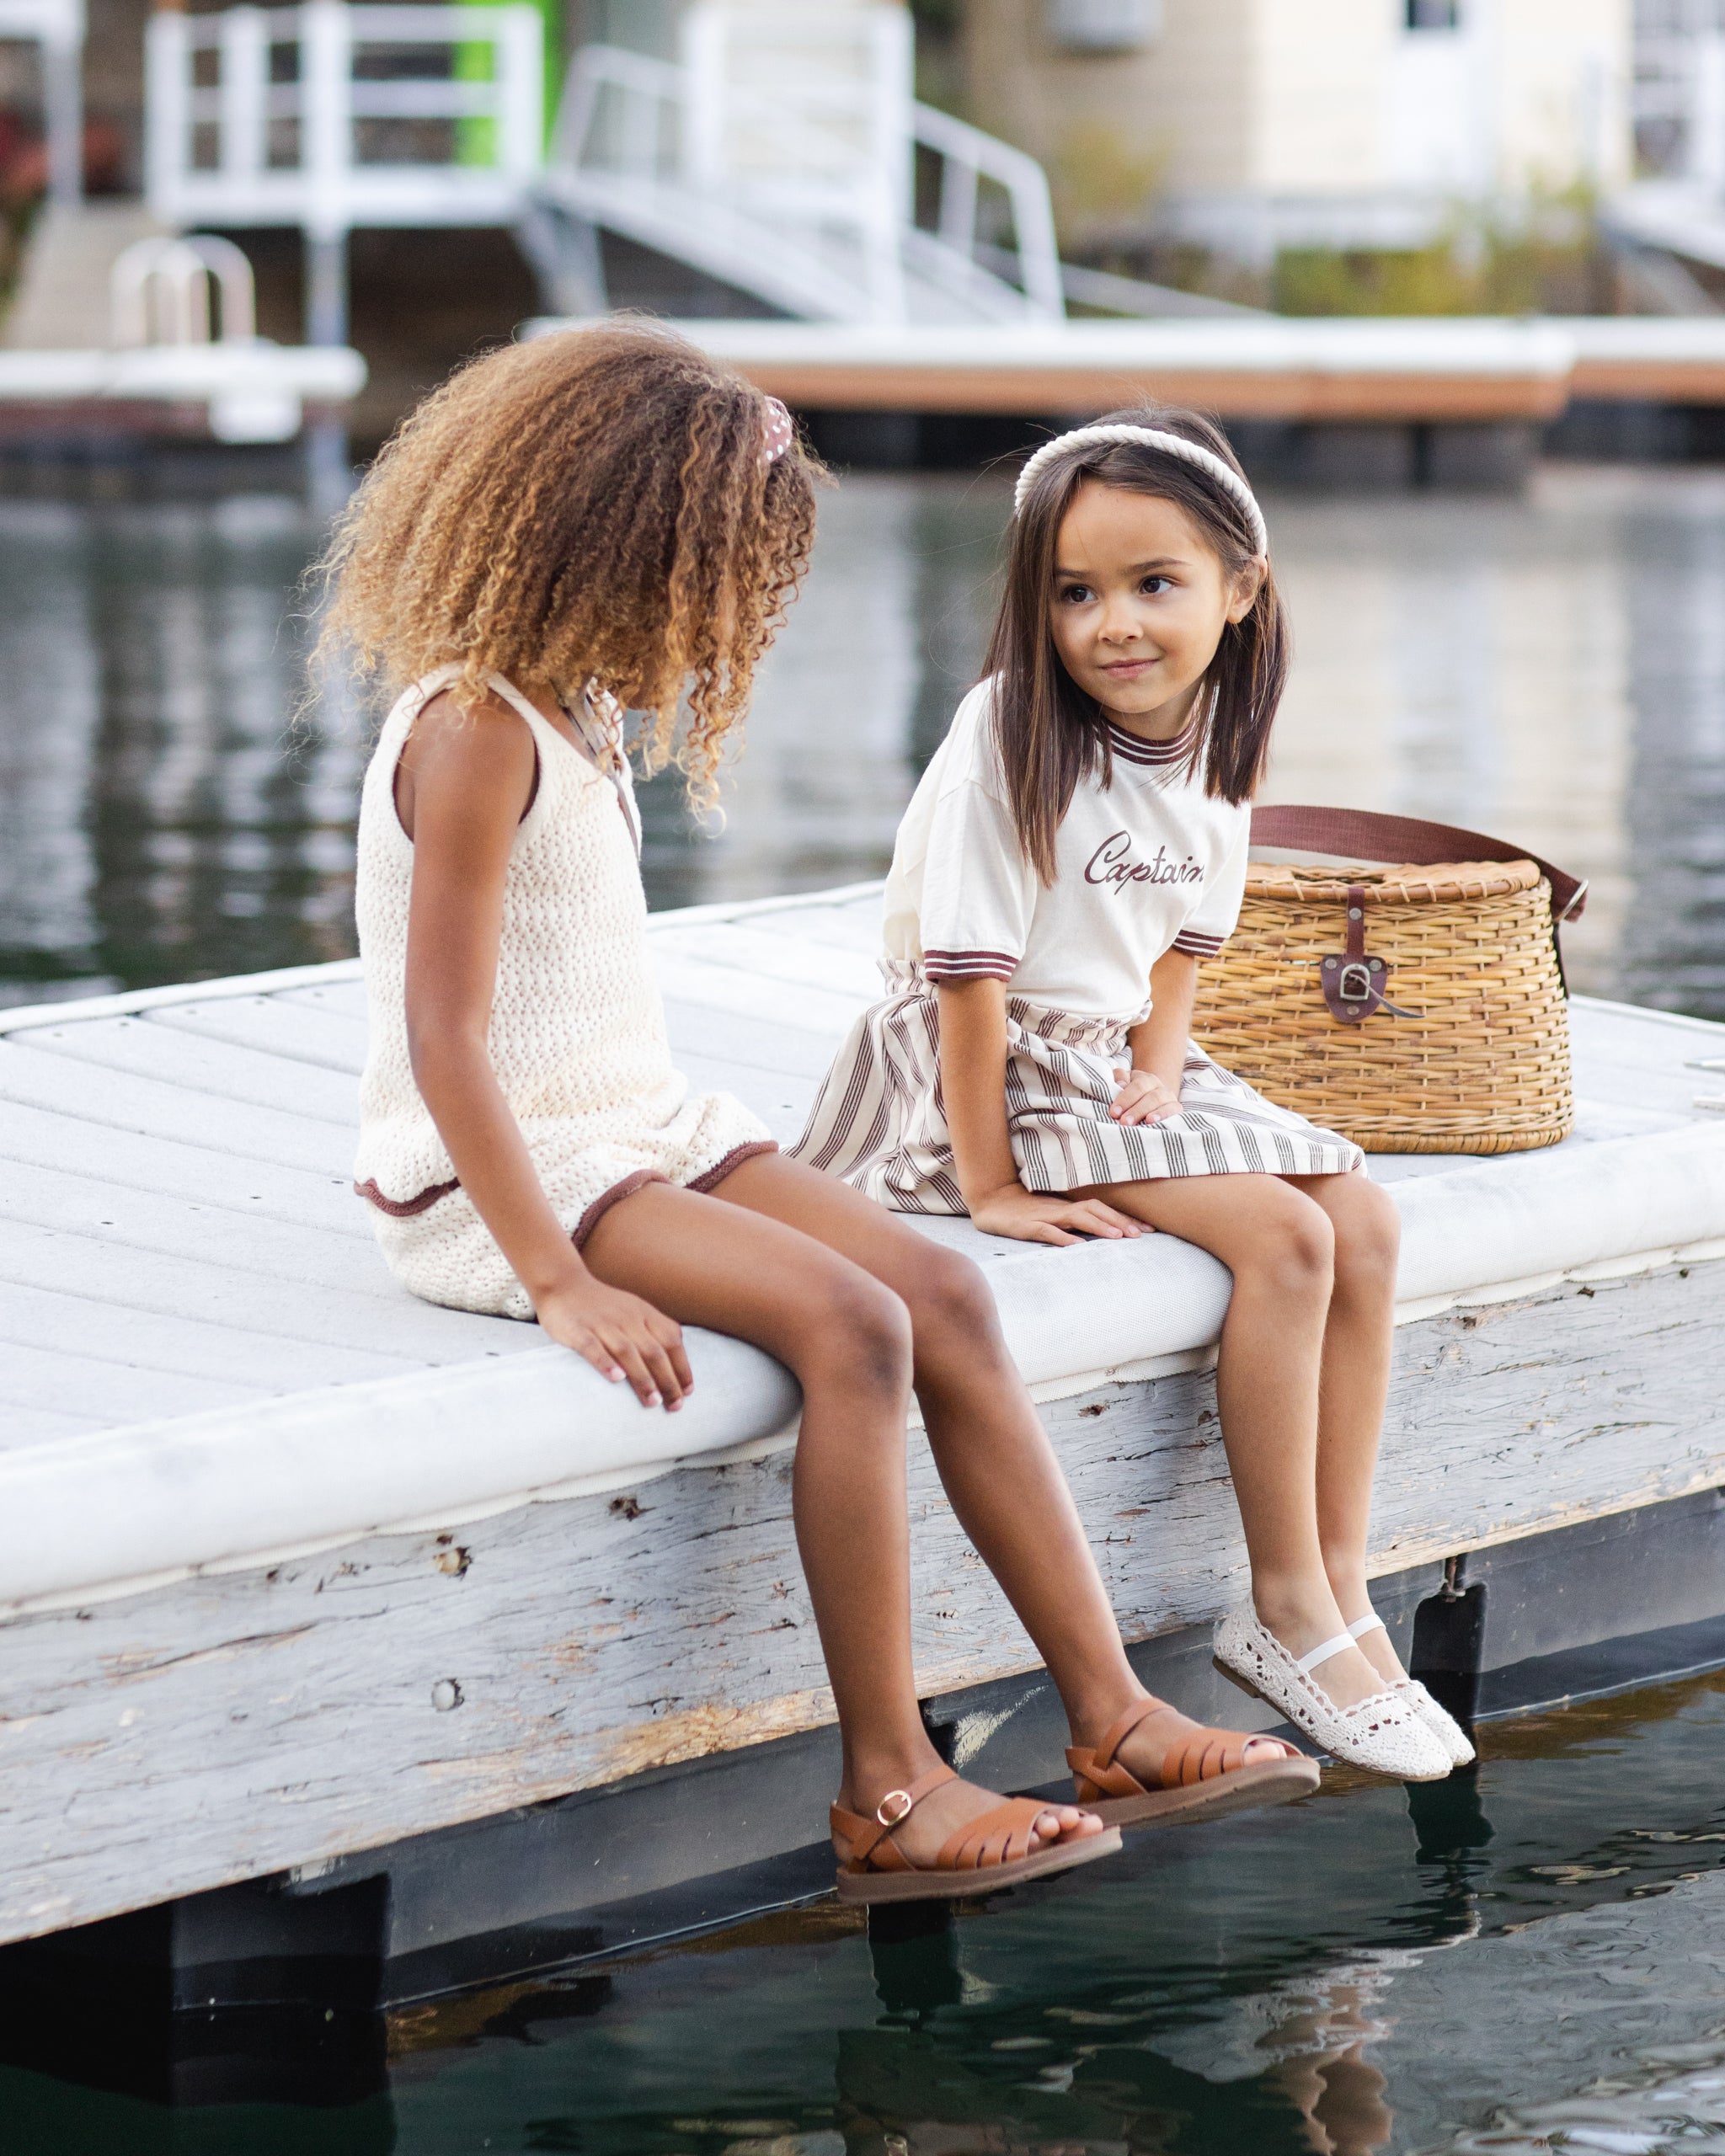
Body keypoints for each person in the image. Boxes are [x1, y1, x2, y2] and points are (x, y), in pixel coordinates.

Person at [320, 329, 1318, 1907]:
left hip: (636, 1124)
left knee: (945, 1293)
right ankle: (889, 1785)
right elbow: (444, 1045)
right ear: (604, 543)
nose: (724, 616)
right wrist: (559, 1278)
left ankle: (1114, 1716)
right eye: (710, 578)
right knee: (854, 1326)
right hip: (497, 1176)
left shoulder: (574, 708)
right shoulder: (475, 728)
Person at [790, 406, 1471, 1780]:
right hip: (984, 1062)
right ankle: (1281, 1601)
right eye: (1075, 593)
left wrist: (1164, 1067)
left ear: (1240, 587)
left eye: (1154, 584)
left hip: (1111, 1054)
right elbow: (967, 982)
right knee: (1284, 1239)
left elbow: (1180, 952)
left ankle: (1340, 1586)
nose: (1113, 625)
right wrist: (990, 1183)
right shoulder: (1009, 728)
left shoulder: (1219, 736)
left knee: (1364, 1215)